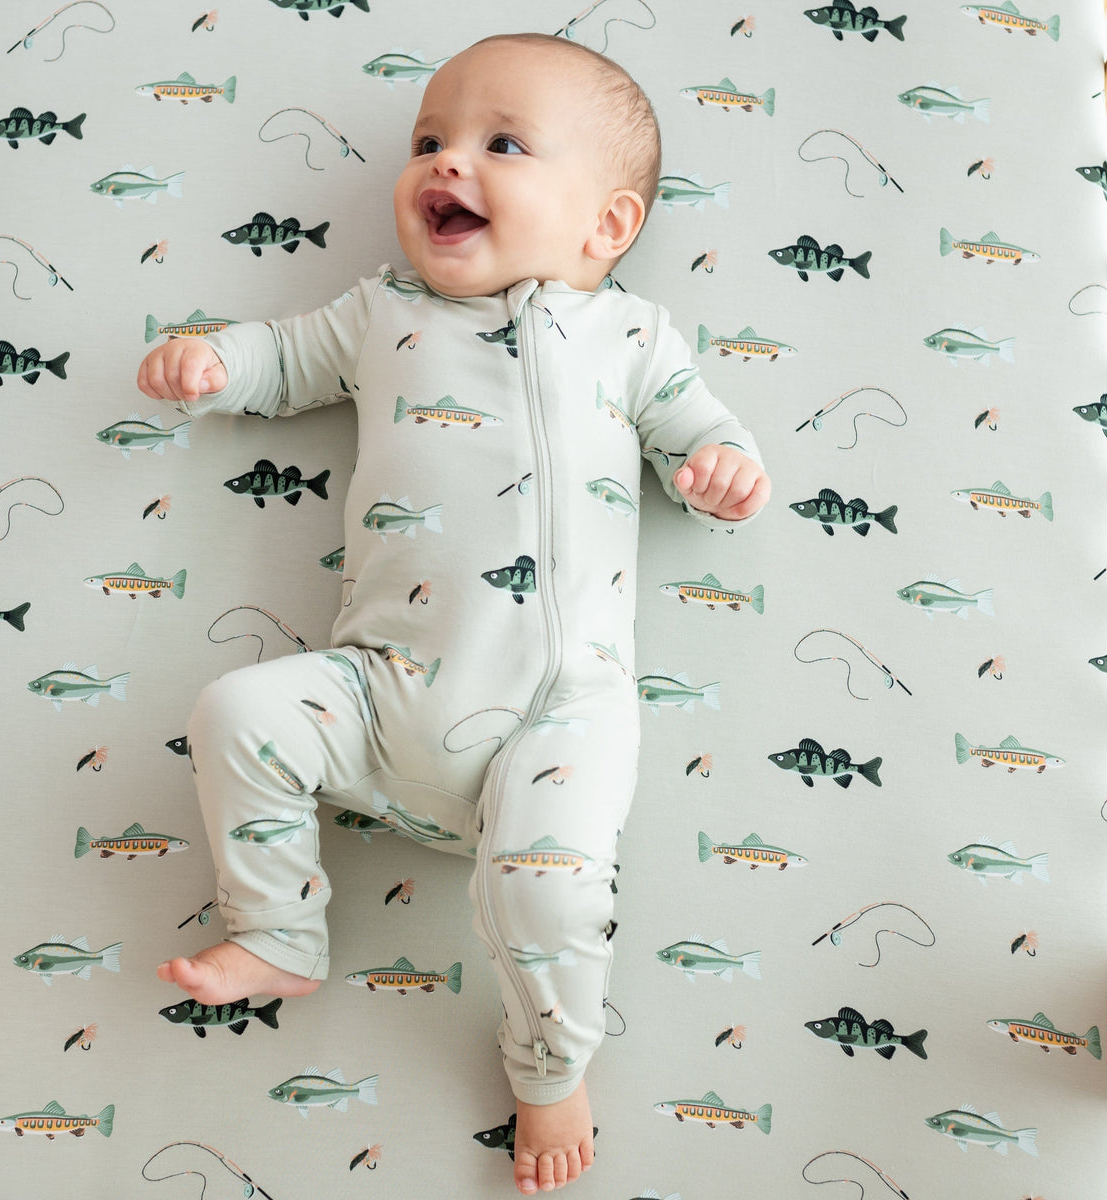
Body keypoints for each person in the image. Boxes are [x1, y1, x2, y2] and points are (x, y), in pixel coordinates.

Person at [138, 31, 770, 1194]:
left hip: (557, 713)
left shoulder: (632, 337)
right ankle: (276, 931)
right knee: (236, 713)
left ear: (606, 226)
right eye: (430, 139)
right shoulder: (380, 314)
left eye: (502, 144)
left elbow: (702, 432)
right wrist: (211, 363)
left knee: (552, 889)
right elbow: (284, 360)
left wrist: (723, 470)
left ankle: (549, 1067)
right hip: (383, 688)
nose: (446, 161)